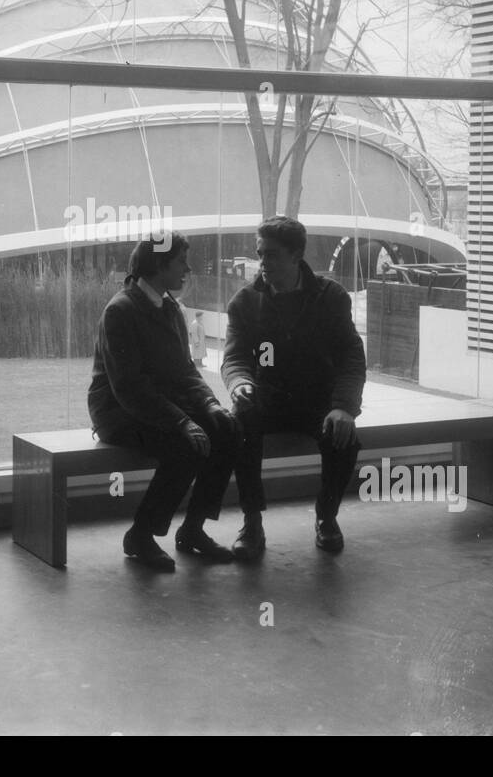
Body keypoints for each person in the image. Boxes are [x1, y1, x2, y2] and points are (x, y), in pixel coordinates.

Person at [88, 232, 240, 572]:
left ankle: (192, 529)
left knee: (227, 428)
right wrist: (182, 421)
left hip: (158, 407)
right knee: (183, 446)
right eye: (181, 262)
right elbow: (129, 388)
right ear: (159, 265)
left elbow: (184, 370)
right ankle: (140, 536)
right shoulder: (120, 311)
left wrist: (210, 405)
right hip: (117, 412)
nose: (187, 269)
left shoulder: (169, 307)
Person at [222, 216, 367, 558]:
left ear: (296, 254)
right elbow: (235, 356)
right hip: (267, 399)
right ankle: (252, 521)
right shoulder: (244, 302)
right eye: (260, 254)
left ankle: (326, 516)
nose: (262, 263)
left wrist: (344, 406)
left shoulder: (330, 297)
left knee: (344, 440)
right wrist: (240, 382)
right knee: (240, 423)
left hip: (318, 402)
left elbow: (351, 355)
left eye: (271, 255)